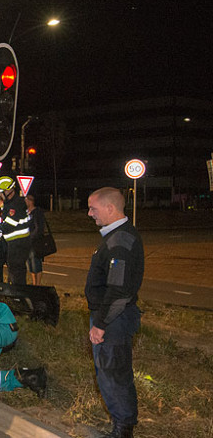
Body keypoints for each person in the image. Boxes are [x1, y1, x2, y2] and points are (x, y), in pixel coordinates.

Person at [86, 187, 144, 438]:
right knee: (110, 371)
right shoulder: (114, 237)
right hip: (110, 317)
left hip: (113, 320)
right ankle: (121, 425)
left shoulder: (120, 241)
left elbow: (119, 291)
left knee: (113, 373)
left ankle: (123, 430)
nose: (90, 214)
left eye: (93, 208)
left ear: (110, 208)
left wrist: (100, 324)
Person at [0, 176, 32, 285]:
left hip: (19, 244)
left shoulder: (16, 204)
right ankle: (17, 291)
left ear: (8, 191)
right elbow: (3, 221)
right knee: (14, 270)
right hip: (14, 243)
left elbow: (6, 226)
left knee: (16, 271)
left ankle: (19, 293)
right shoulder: (9, 204)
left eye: (0, 192)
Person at [25, 194, 47, 285]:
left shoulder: (37, 212)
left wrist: (31, 238)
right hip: (27, 242)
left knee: (36, 263)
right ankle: (34, 283)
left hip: (35, 242)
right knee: (30, 264)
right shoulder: (26, 212)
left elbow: (39, 228)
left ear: (30, 201)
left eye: (26, 200)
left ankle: (37, 284)